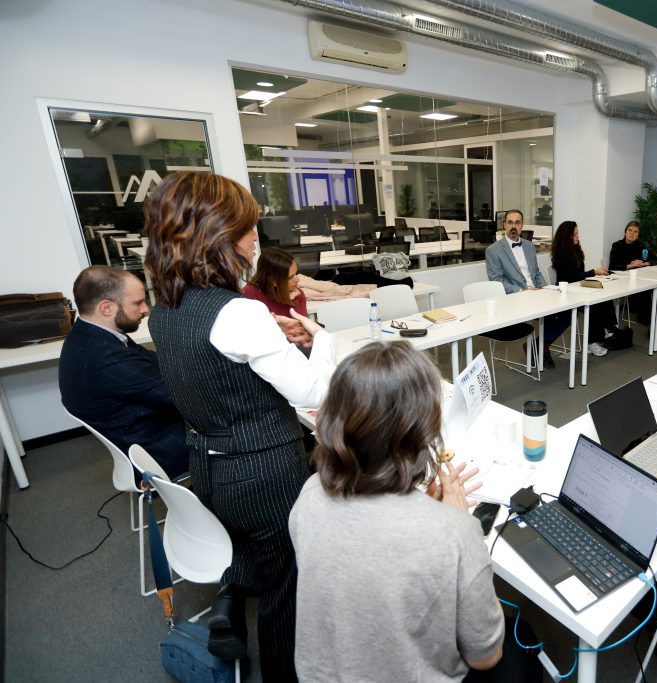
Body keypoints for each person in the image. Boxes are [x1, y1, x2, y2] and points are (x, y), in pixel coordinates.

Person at [145, 171, 335, 681]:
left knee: (251, 550)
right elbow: (316, 392)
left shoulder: (164, 308)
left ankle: (229, 606)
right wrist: (320, 337)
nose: (256, 240)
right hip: (264, 474)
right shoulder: (240, 314)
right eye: (247, 229)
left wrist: (269, 331)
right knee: (286, 585)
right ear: (215, 235)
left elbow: (215, 359)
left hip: (207, 466)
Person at [290, 342, 540, 682]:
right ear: (422, 431)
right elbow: (486, 655)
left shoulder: (310, 496)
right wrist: (456, 523)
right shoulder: (453, 533)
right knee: (520, 639)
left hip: (325, 673)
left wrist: (432, 515)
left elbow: (364, 565)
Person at [58, 266, 189, 479]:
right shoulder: (106, 357)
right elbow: (181, 397)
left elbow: (151, 361)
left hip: (137, 432)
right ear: (107, 308)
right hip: (152, 452)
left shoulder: (88, 335)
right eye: (137, 303)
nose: (146, 309)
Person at [485, 209, 567, 368]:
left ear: (522, 225)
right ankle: (542, 347)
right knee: (552, 315)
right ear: (504, 225)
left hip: (537, 293)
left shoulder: (529, 246)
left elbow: (536, 273)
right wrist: (522, 291)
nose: (513, 226)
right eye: (510, 222)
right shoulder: (493, 250)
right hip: (516, 297)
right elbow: (497, 281)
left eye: (517, 222)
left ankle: (539, 345)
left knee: (568, 310)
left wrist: (545, 289)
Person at [550, 220, 618, 356]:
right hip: (566, 291)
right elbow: (570, 276)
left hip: (577, 288)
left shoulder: (575, 250)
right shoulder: (560, 255)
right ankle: (592, 342)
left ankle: (608, 329)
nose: (577, 236)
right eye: (575, 234)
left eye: (577, 233)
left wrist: (592, 275)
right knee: (593, 306)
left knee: (603, 296)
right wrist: (593, 272)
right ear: (567, 236)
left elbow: (579, 274)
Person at [608, 220, 657, 325]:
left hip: (637, 279)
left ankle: (652, 322)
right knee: (646, 293)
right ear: (625, 232)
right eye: (630, 230)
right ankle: (648, 321)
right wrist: (630, 265)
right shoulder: (617, 246)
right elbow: (612, 266)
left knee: (653, 290)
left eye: (635, 231)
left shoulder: (641, 246)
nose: (632, 233)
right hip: (620, 280)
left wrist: (645, 263)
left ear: (638, 234)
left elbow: (655, 259)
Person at [242, 246, 308, 318]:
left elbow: (302, 326)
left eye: (295, 273)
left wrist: (293, 302)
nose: (297, 279)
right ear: (273, 280)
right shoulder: (250, 294)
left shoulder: (298, 294)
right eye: (290, 277)